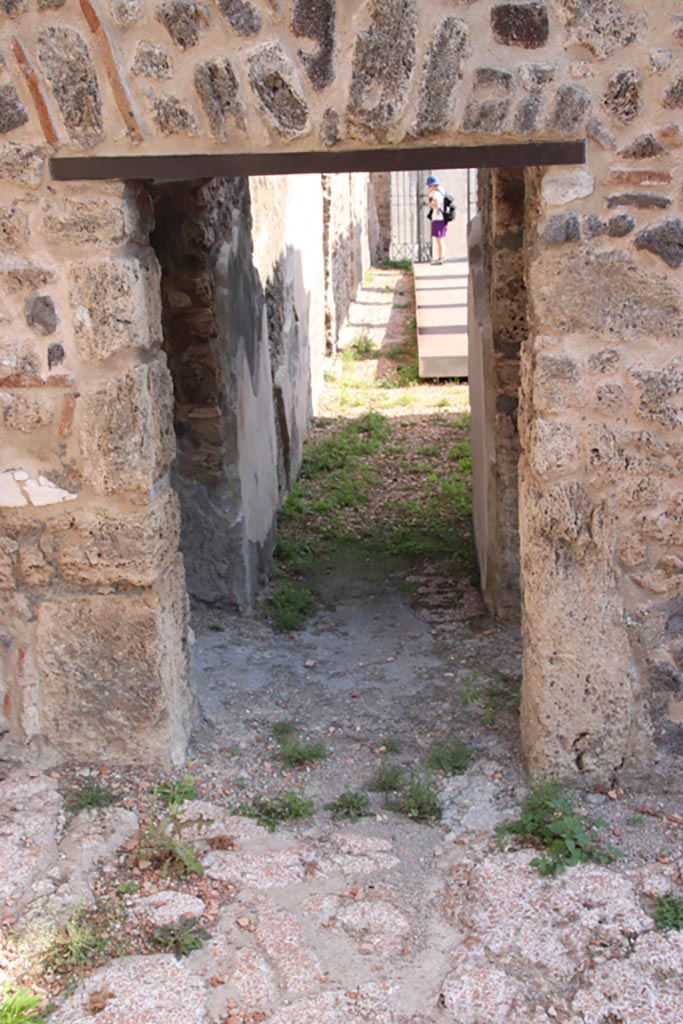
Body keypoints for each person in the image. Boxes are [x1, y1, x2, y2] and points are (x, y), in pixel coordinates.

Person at [426, 174, 447, 265]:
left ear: (432, 185)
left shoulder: (436, 194)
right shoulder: (441, 191)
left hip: (438, 218)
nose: (429, 187)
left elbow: (437, 206)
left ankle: (440, 258)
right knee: (441, 239)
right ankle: (441, 257)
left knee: (439, 239)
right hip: (441, 218)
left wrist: (430, 203)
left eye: (429, 186)